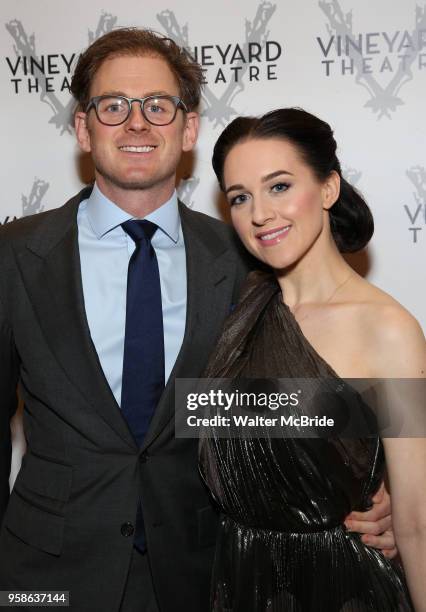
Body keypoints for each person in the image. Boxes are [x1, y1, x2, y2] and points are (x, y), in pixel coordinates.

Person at [0, 29, 396, 612]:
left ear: (187, 129)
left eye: (158, 106)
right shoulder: (14, 255)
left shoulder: (249, 255)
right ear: (83, 129)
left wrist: (377, 486)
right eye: (113, 106)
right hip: (44, 578)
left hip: (205, 573)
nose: (137, 124)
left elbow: (280, 399)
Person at [199, 108, 426, 611]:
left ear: (328, 189)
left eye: (279, 186)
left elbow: (414, 522)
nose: (259, 213)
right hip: (240, 580)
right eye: (240, 197)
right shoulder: (237, 314)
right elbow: (214, 436)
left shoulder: (388, 329)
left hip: (341, 589)